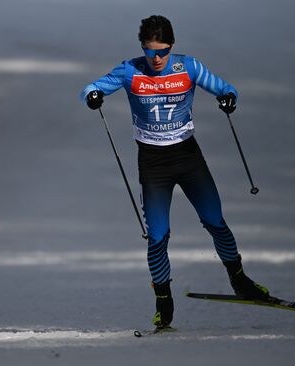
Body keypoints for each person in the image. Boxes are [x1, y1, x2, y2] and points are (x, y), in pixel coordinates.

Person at [81, 15, 269, 330]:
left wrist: (227, 99)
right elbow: (91, 88)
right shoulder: (130, 70)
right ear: (142, 47)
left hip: (187, 156)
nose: (157, 58)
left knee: (215, 221)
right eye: (150, 51)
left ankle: (239, 279)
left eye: (163, 51)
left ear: (172, 46)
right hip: (153, 162)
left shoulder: (189, 68)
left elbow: (226, 88)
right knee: (157, 236)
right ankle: (163, 301)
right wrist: (92, 96)